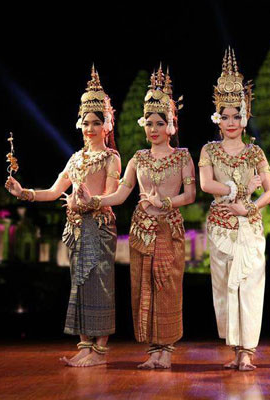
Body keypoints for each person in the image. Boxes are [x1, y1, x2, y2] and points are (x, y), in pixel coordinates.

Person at [78, 65, 195, 369]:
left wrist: (165, 202)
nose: (154, 129)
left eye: (160, 123)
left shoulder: (182, 156)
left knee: (167, 286)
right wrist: (95, 200)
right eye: (149, 123)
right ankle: (152, 351)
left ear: (171, 125)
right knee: (143, 288)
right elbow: (121, 194)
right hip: (141, 231)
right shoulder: (137, 158)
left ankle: (166, 350)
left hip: (168, 229)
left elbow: (190, 196)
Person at [6, 66, 121, 367]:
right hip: (77, 230)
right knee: (79, 286)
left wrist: (89, 200)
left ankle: (99, 352)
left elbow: (110, 196)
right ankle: (84, 346)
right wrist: (23, 193)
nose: (90, 128)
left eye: (97, 123)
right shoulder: (75, 159)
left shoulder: (111, 158)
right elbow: (54, 191)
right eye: (86, 122)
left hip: (98, 228)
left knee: (100, 286)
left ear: (107, 125)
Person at [198, 47, 270, 371]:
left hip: (249, 227)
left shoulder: (256, 152)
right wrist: (238, 190)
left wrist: (249, 208)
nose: (230, 122)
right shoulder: (208, 150)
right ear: (217, 117)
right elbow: (206, 185)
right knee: (224, 289)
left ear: (245, 116)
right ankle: (234, 349)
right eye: (225, 116)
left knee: (251, 286)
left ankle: (248, 352)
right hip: (220, 227)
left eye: (236, 115)